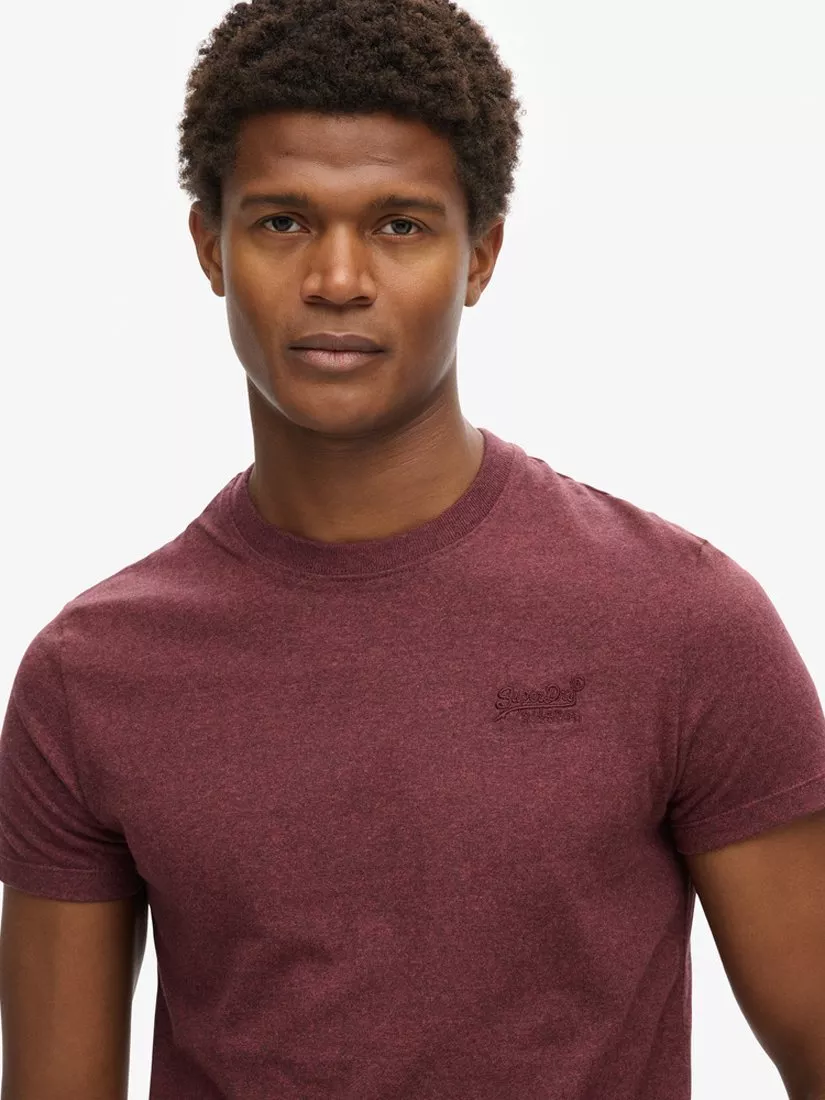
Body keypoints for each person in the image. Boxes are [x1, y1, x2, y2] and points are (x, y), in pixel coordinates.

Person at [2, 0, 825, 1096]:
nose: (338, 278)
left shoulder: (682, 622)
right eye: (283, 222)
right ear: (210, 247)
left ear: (479, 256)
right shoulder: (89, 676)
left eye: (399, 225)